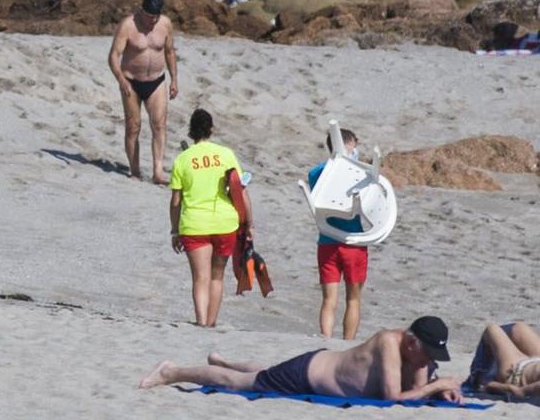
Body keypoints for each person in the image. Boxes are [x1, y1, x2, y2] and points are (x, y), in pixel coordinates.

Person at [139, 316, 461, 401]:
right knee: (238, 384)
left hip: (315, 366)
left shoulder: (414, 355)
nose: (428, 362)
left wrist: (439, 387)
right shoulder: (389, 343)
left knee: (263, 373)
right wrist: (433, 387)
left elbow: (418, 387)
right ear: (412, 341)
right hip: (307, 375)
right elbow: (393, 398)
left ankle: (225, 360)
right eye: (427, 354)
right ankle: (172, 372)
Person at [168, 107, 242, 327]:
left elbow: (175, 201)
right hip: (224, 221)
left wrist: (174, 230)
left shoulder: (183, 159)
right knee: (217, 277)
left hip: (194, 223)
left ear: (191, 131)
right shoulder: (226, 154)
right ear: (211, 129)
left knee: (200, 278)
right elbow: (238, 187)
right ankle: (211, 322)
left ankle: (200, 321)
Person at [108, 0, 179, 183]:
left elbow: (170, 52)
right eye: (149, 16)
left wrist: (174, 79)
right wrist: (121, 80)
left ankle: (158, 172)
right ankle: (135, 170)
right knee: (133, 127)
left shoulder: (164, 24)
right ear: (141, 11)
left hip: (156, 81)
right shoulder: (128, 25)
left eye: (156, 16)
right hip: (131, 82)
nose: (153, 21)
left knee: (159, 125)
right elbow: (114, 56)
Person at [308, 127, 369, 340]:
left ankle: (326, 340)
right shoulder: (358, 173)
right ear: (346, 146)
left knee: (328, 300)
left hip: (327, 241)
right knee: (353, 299)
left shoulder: (315, 173)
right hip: (353, 241)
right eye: (354, 146)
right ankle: (347, 344)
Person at [475, 322, 540, 399]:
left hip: (516, 372)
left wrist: (493, 385)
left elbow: (519, 392)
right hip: (535, 363)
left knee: (492, 329)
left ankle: (479, 378)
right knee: (518, 328)